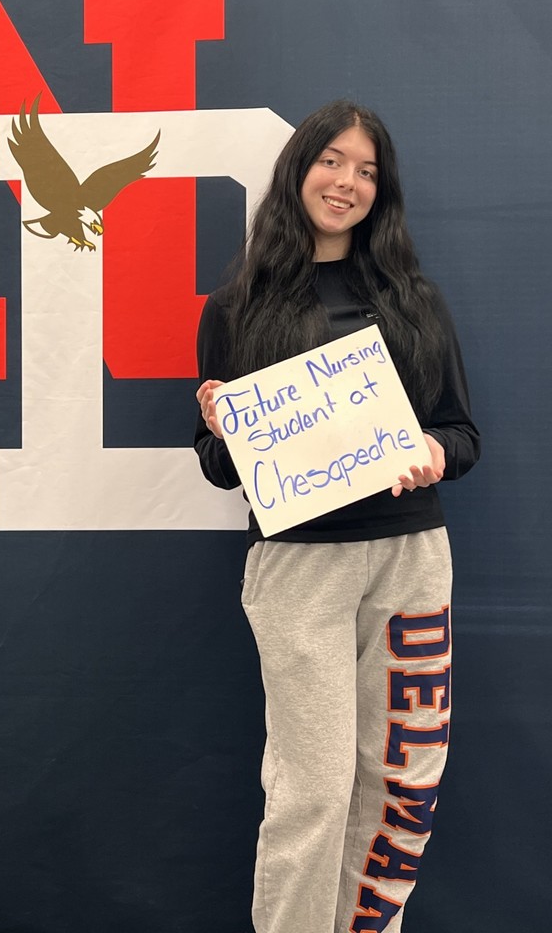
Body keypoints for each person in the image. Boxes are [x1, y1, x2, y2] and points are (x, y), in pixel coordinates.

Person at [194, 100, 479, 933]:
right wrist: (222, 427)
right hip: (299, 567)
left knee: (397, 784)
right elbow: (218, 469)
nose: (347, 181)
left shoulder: (413, 299)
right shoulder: (235, 308)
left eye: (366, 169)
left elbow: (463, 434)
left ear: (380, 190)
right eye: (332, 161)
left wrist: (432, 449)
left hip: (409, 557)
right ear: (299, 170)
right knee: (312, 788)